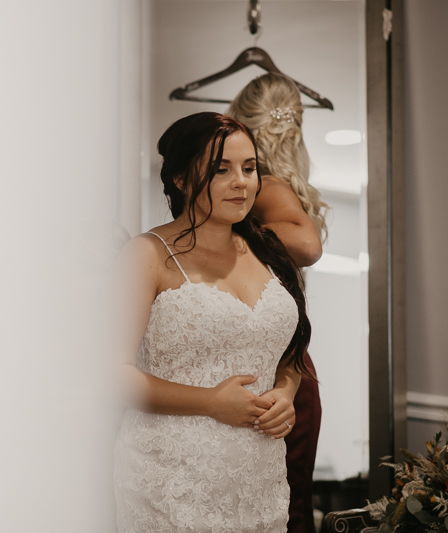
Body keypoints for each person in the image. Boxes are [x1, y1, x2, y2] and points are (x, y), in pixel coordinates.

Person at [113, 111, 312, 532]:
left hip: (260, 479)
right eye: (221, 170)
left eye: (249, 168)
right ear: (182, 180)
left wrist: (286, 392)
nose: (241, 182)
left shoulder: (269, 251)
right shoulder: (147, 254)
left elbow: (288, 356)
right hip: (171, 484)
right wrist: (209, 402)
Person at [227, 73, 328, 533]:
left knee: (286, 510)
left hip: (285, 377)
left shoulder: (266, 188)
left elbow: (306, 245)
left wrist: (232, 237)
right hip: (276, 375)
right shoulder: (268, 188)